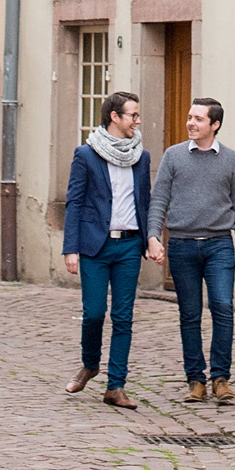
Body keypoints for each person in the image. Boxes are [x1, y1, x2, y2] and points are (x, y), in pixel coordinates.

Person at [145, 97, 235, 404]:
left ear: (214, 125)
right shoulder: (174, 156)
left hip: (219, 245)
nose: (191, 122)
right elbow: (159, 199)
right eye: (190, 117)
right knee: (189, 314)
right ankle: (196, 380)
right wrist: (153, 236)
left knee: (223, 307)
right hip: (182, 245)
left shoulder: (231, 160)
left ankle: (221, 378)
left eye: (198, 119)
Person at [63, 90, 151, 410]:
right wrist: (70, 248)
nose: (138, 121)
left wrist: (151, 237)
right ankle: (90, 363)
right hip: (94, 247)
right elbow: (74, 203)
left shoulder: (141, 157)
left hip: (129, 244)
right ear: (115, 117)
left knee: (123, 317)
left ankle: (116, 386)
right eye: (133, 115)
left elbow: (146, 202)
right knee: (94, 313)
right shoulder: (86, 155)